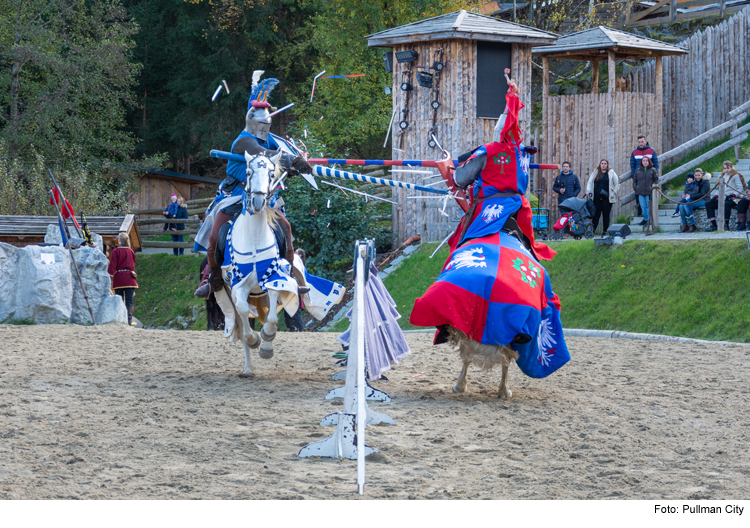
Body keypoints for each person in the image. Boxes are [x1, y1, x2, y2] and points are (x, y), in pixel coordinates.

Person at [194, 71, 312, 299]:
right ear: (252, 122)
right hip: (236, 194)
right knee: (215, 235)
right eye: (262, 124)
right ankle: (213, 279)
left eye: (267, 124)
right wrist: (290, 159)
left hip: (263, 195)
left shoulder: (269, 139)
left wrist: (294, 169)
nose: (265, 128)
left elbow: (273, 164)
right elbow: (265, 154)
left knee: (285, 228)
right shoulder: (243, 141)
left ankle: (289, 275)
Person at [704, 161, 747, 232]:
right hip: (723, 197)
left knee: (726, 204)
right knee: (708, 204)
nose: (726, 170)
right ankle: (714, 225)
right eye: (724, 168)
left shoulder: (735, 175)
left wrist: (732, 195)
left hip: (734, 198)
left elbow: (740, 188)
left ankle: (726, 224)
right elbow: (720, 188)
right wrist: (715, 196)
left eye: (728, 168)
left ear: (731, 167)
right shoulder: (722, 176)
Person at [108, 232, 138, 327]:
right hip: (130, 279)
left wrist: (109, 275)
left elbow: (112, 267)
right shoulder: (131, 251)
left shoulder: (116, 251)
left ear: (119, 240)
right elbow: (133, 265)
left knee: (120, 300)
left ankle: (121, 321)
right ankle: (129, 322)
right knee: (129, 301)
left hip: (119, 279)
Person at [585, 159, 619, 233]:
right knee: (596, 215)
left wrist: (613, 193)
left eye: (605, 163)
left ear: (607, 165)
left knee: (606, 215)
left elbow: (617, 184)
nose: (603, 165)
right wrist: (588, 190)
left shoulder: (611, 172)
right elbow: (590, 182)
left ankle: (605, 231)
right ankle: (592, 232)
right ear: (600, 164)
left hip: (607, 198)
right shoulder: (595, 172)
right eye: (602, 163)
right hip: (596, 197)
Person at [630, 135, 659, 216]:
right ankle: (640, 213)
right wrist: (634, 177)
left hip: (649, 178)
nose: (641, 143)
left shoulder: (652, 151)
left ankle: (650, 215)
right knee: (639, 197)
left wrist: (656, 176)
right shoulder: (634, 153)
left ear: (645, 141)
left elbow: (656, 164)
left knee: (649, 198)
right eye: (639, 142)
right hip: (639, 178)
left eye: (642, 141)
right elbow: (632, 166)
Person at [678, 168, 710, 233]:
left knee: (686, 206)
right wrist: (684, 195)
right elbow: (689, 190)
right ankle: (685, 225)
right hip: (694, 199)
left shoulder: (705, 182)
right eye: (696, 175)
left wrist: (691, 196)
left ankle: (692, 225)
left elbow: (702, 194)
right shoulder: (694, 182)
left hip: (703, 200)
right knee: (681, 206)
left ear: (702, 175)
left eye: (699, 175)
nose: (697, 177)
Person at [633, 156, 658, 226]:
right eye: (643, 161)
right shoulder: (637, 170)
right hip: (640, 192)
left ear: (649, 161)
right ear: (641, 162)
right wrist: (636, 187)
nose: (645, 162)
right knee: (643, 206)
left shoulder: (652, 170)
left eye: (646, 161)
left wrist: (653, 186)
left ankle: (647, 219)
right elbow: (634, 180)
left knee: (648, 205)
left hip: (649, 191)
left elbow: (656, 179)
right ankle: (646, 219)